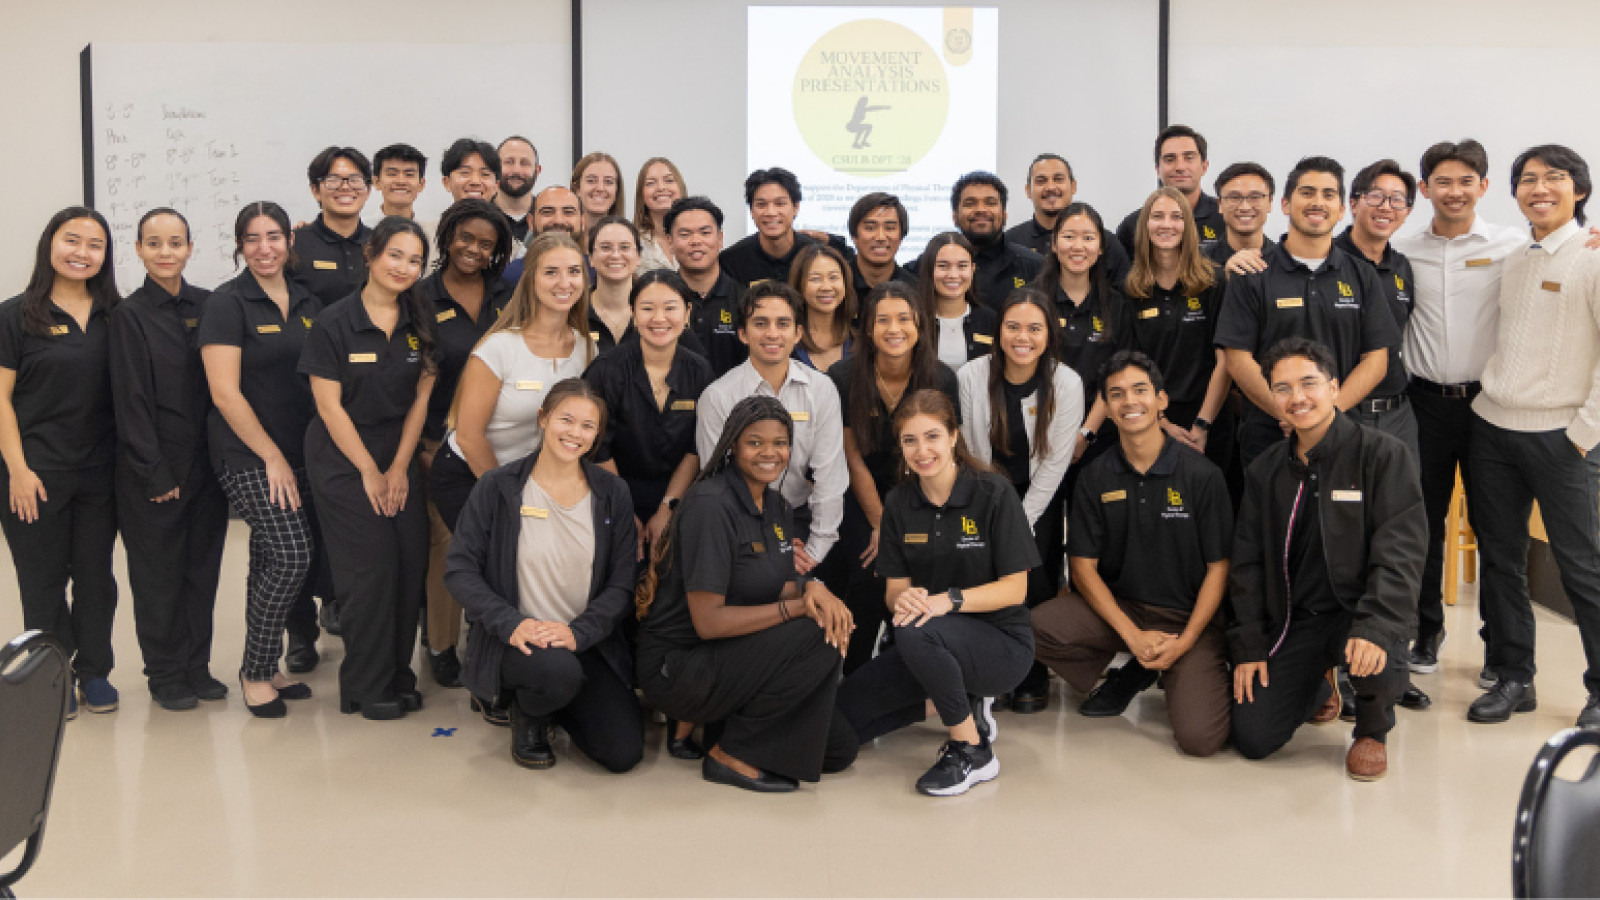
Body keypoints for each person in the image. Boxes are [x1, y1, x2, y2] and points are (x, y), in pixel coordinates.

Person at [637, 395, 858, 792]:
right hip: (680, 667)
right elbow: (708, 623)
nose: (769, 453)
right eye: (755, 442)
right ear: (733, 445)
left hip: (736, 658)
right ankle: (729, 756)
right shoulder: (711, 505)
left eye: (780, 443)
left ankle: (727, 726)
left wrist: (815, 590)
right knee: (813, 632)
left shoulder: (776, 505)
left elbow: (787, 589)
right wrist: (800, 610)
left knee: (838, 750)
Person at [1392, 139, 1552, 679]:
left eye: (1466, 181)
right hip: (1422, 406)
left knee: (1499, 533)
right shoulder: (1403, 249)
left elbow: (1567, 248)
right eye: (1443, 181)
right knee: (1421, 527)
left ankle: (1503, 653)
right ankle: (1424, 634)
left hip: (1489, 408)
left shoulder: (1513, 244)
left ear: (1483, 187)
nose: (1454, 191)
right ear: (1424, 189)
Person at [1230, 338, 1422, 780]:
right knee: (1254, 738)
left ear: (1335, 387)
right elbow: (1247, 565)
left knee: (1377, 660)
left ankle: (1372, 730)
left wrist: (1375, 626)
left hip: (1360, 613)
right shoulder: (1265, 471)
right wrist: (1249, 645)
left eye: (1309, 383)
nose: (1297, 398)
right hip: (1298, 618)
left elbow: (1401, 553)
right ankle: (1318, 685)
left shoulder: (1383, 456)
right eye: (1283, 388)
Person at [835, 389, 1038, 796]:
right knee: (837, 731)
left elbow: (1016, 590)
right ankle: (958, 704)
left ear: (953, 437)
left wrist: (949, 600)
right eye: (910, 440)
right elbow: (895, 592)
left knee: (914, 628)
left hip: (999, 644)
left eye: (931, 436)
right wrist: (904, 600)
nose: (921, 450)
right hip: (926, 646)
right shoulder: (898, 503)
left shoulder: (993, 493)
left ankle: (972, 748)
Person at [1032, 351, 1231, 754]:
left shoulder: (1202, 476)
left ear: (1162, 400)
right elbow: (1082, 568)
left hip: (1189, 619)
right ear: (1105, 406)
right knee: (1029, 628)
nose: (1130, 402)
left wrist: (1187, 638)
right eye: (1117, 395)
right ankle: (1142, 662)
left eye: (1140, 391)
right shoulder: (1094, 475)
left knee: (1200, 739)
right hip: (1125, 610)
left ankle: (1185, 666)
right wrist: (1133, 636)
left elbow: (1219, 567)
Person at [1467, 144, 1600, 730]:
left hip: (1563, 438)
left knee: (1582, 568)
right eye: (1527, 179)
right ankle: (1513, 675)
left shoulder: (1593, 258)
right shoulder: (1517, 259)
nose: (1538, 188)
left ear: (1579, 189)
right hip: (1493, 428)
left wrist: (1584, 434)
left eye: (1554, 178)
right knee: (1501, 560)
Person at [447, 379, 643, 771]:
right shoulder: (497, 487)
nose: (575, 433)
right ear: (543, 419)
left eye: (587, 426)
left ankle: (558, 699)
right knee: (554, 672)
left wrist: (579, 632)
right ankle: (530, 712)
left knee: (623, 754)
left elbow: (622, 584)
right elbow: (460, 570)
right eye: (566, 420)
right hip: (517, 639)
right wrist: (511, 623)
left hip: (582, 639)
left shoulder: (612, 493)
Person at [299, 218, 436, 720]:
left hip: (397, 447)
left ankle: (398, 676)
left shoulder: (419, 320)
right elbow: (328, 407)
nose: (404, 267)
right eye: (395, 255)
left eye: (415, 260)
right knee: (369, 568)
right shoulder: (334, 322)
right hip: (341, 454)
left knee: (408, 561)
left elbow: (422, 398)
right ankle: (364, 685)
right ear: (371, 255)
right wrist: (369, 471)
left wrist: (399, 467)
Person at [199, 202, 323, 717]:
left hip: (300, 451)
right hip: (248, 454)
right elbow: (224, 393)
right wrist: (271, 454)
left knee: (268, 559)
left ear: (288, 242)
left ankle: (267, 665)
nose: (265, 247)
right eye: (252, 239)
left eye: (274, 236)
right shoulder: (228, 304)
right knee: (293, 555)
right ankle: (254, 670)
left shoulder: (308, 299)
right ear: (240, 246)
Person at [0, 207, 121, 719]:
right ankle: (54, 674)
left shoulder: (118, 313)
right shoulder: (16, 314)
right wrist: (19, 471)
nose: (82, 253)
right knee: (43, 578)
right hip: (35, 471)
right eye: (72, 240)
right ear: (50, 244)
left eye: (94, 244)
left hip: (100, 473)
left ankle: (94, 671)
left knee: (96, 577)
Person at [108, 207, 229, 711]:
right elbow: (130, 401)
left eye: (174, 242)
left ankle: (196, 666)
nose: (165, 252)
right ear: (138, 249)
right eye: (153, 243)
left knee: (202, 569)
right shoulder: (128, 315)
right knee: (159, 574)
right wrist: (153, 470)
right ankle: (164, 673)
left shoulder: (211, 305)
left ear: (189, 248)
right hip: (153, 468)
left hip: (209, 465)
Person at [1214, 156, 1400, 466]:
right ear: (1285, 204)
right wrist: (1290, 411)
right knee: (1272, 516)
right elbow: (1237, 359)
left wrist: (1326, 415)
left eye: (1329, 195)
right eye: (1307, 192)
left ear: (1342, 210)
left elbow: (1376, 359)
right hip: (1269, 436)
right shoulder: (1253, 272)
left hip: (1342, 430)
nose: (1317, 202)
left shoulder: (1361, 275)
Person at [958, 288, 1084, 710]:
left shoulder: (1066, 382)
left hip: (1039, 498)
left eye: (1034, 328)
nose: (1022, 337)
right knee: (983, 580)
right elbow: (970, 453)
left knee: (1037, 580)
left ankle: (1032, 671)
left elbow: (1056, 461)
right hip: (982, 492)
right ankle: (985, 671)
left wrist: (1020, 518)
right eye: (1012, 326)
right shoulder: (972, 376)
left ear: (1049, 333)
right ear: (998, 331)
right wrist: (993, 510)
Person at [828, 282, 961, 674]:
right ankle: (852, 678)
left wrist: (900, 521)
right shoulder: (843, 376)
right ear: (867, 328)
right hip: (860, 495)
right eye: (882, 319)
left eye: (904, 318)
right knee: (870, 577)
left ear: (920, 324)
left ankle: (917, 669)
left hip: (923, 494)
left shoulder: (940, 378)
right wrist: (881, 523)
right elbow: (851, 456)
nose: (894, 328)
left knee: (924, 573)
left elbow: (940, 456)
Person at [432, 232, 597, 536]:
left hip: (531, 480)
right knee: (499, 567)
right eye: (551, 272)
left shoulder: (588, 350)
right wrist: (511, 499)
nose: (565, 282)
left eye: (574, 271)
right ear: (530, 280)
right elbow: (469, 437)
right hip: (470, 473)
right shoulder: (499, 348)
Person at [413, 199, 516, 688]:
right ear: (448, 235)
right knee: (449, 543)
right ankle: (439, 642)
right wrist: (424, 448)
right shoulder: (419, 297)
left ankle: (489, 634)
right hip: (441, 446)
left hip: (504, 443)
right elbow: (410, 380)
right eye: (466, 238)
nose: (474, 250)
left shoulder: (509, 294)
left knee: (501, 544)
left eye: (486, 244)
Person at [696, 282, 847, 588]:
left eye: (783, 324)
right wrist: (769, 544)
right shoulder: (718, 396)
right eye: (760, 324)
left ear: (798, 333)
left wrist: (815, 550)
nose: (772, 334)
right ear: (742, 333)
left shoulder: (821, 389)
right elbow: (719, 481)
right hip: (740, 524)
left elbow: (830, 476)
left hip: (803, 520)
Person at [584, 269, 712, 553]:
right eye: (647, 308)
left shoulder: (700, 370)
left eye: (670, 308)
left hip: (679, 496)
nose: (659, 318)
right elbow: (597, 448)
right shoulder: (605, 371)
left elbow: (697, 446)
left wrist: (668, 508)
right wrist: (623, 511)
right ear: (633, 312)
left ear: (687, 312)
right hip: (611, 491)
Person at [1124, 188, 1233, 473]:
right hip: (1151, 422)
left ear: (1188, 226)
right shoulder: (1130, 290)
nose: (1166, 224)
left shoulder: (1215, 283)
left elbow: (1226, 361)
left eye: (1176, 217)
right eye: (1157, 216)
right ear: (1145, 225)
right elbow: (1131, 366)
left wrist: (1202, 424)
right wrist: (1160, 422)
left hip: (1211, 420)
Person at [1035, 202, 1134, 484]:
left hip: (1100, 437)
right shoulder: (1031, 301)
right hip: (1040, 437)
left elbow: (1118, 376)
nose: (1078, 246)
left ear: (1101, 247)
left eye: (1088, 238)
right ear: (1054, 244)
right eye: (1069, 236)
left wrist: (1085, 434)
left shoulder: (1117, 306)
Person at [1333, 160, 1421, 461]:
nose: (1386, 206)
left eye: (1397, 199)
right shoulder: (1327, 261)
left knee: (1402, 505)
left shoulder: (1402, 266)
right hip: (1341, 413)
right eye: (1375, 196)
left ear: (1407, 213)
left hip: (1398, 413)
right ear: (1354, 203)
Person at [910, 172, 1043, 311]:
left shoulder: (1035, 268)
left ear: (1004, 214)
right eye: (970, 204)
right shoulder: (924, 267)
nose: (981, 209)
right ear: (954, 216)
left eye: (990, 203)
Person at [1005, 153, 1132, 284]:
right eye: (1041, 181)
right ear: (1028, 190)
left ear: (1073, 186)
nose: (1050, 187)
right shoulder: (1009, 243)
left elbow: (1124, 297)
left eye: (1058, 179)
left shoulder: (1106, 243)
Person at [1116, 125, 1228, 257]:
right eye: (1170, 159)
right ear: (1158, 170)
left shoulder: (1225, 218)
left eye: (1189, 158)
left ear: (1204, 167)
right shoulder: (1133, 225)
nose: (1180, 167)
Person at [671, 197, 749, 378]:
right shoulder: (659, 300)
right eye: (684, 234)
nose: (695, 241)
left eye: (705, 233)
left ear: (720, 239)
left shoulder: (745, 300)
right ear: (670, 242)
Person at [292, 146, 374, 307]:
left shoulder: (381, 243)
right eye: (333, 180)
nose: (345, 187)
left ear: (368, 190)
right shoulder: (295, 244)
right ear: (315, 190)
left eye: (355, 179)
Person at [719, 168, 821, 288]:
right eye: (761, 205)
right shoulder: (731, 261)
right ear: (751, 210)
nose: (771, 212)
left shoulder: (819, 254)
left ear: (796, 207)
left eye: (780, 204)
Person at [916, 232, 998, 372]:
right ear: (929, 270)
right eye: (943, 266)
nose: (953, 275)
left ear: (972, 270)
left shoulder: (991, 321)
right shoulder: (913, 320)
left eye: (962, 266)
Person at [498, 186, 586, 287]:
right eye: (547, 212)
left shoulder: (596, 271)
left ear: (582, 221)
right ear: (531, 222)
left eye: (568, 212)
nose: (558, 220)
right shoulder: (511, 276)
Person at [417, 139, 502, 243]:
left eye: (485, 174)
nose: (475, 181)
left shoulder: (510, 245)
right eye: (465, 173)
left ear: (496, 186)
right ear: (446, 182)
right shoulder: (422, 237)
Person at [789, 242, 856, 373]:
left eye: (833, 277)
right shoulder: (785, 342)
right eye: (815, 279)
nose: (826, 287)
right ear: (799, 285)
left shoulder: (859, 342)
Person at [1205, 161, 1278, 271]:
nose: (1245, 207)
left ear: (1270, 203)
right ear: (1219, 204)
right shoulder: (1198, 263)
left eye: (1255, 197)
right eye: (1234, 197)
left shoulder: (1286, 262)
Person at [587, 216, 642, 352]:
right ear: (591, 258)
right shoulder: (573, 311)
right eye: (606, 247)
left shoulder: (657, 310)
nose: (616, 255)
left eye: (624, 247)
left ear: (639, 257)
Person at [847, 192, 915, 298]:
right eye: (870, 228)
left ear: (901, 236)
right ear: (854, 235)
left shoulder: (915, 290)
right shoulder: (838, 284)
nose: (880, 237)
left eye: (889, 228)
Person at [633, 157, 686, 273]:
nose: (661, 188)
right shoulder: (632, 242)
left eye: (669, 180)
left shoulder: (697, 238)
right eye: (651, 183)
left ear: (681, 188)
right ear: (641, 194)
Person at [494, 136, 541, 243]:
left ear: (537, 171)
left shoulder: (548, 218)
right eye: (509, 162)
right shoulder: (480, 215)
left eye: (525, 163)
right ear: (495, 167)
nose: (516, 171)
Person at [571, 151, 626, 236]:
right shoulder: (564, 240)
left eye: (608, 182)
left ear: (617, 190)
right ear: (577, 188)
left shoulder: (629, 239)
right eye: (591, 181)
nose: (600, 188)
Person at [372, 144, 428, 220]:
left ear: (421, 184)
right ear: (377, 182)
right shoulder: (358, 230)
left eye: (409, 174)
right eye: (392, 174)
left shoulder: (431, 231)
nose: (401, 181)